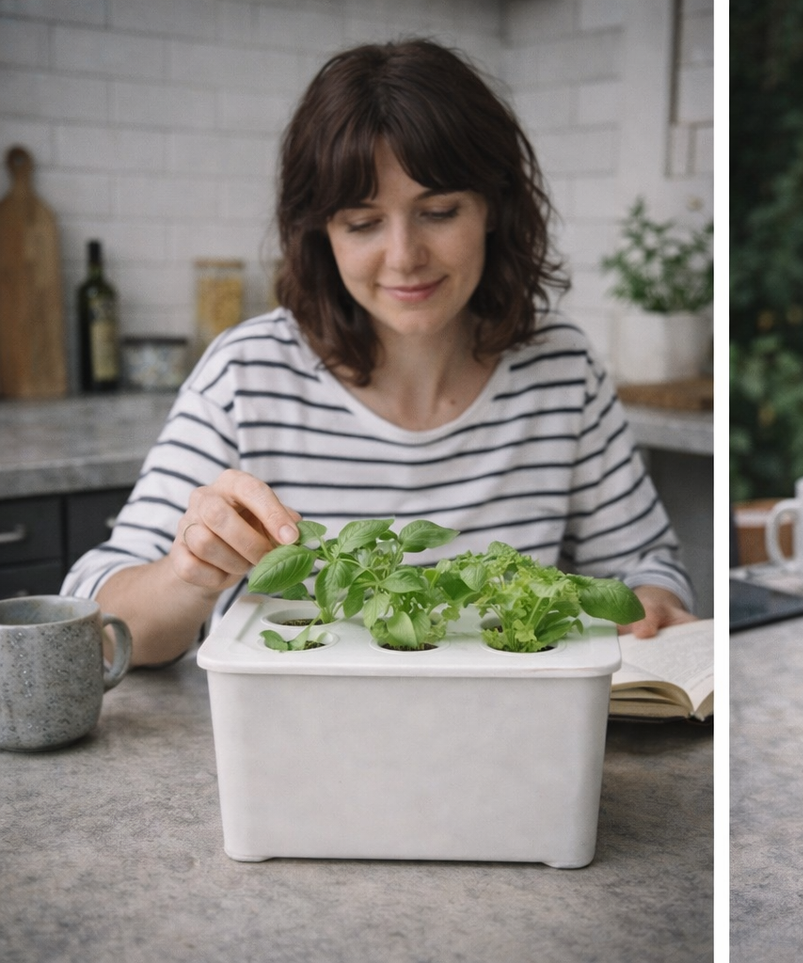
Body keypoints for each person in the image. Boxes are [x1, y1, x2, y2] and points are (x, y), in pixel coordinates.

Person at [63, 39, 695, 665]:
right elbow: (100, 622)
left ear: (494, 207)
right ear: (321, 232)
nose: (404, 257)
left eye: (439, 211)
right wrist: (188, 574)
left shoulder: (561, 370)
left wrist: (654, 601)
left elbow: (645, 566)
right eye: (363, 223)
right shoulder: (246, 374)